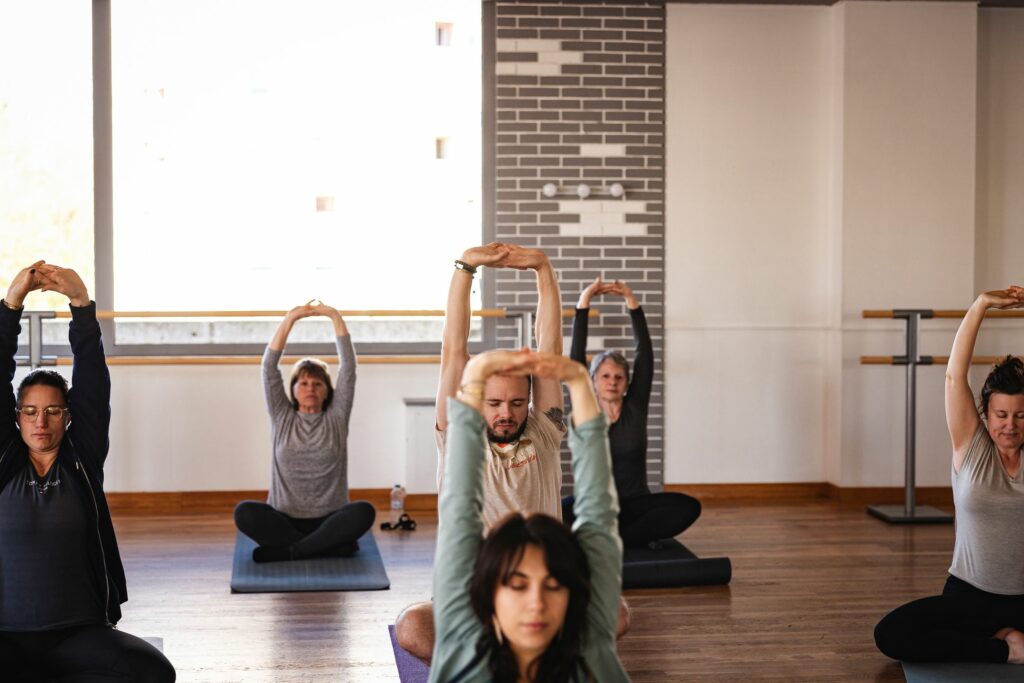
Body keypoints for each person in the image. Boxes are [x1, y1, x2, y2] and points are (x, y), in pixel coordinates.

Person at [396, 242, 574, 660]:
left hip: (537, 595)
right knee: (413, 626)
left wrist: (543, 270)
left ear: (529, 400)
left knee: (615, 616)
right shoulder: (460, 437)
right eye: (493, 405)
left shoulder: (544, 433)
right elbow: (452, 351)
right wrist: (466, 266)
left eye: (516, 403)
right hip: (476, 596)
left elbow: (549, 350)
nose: (505, 414)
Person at [0, 261, 176, 681]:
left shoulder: (83, 458)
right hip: (6, 637)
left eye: (52, 411)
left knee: (154, 673)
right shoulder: (4, 460)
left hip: (77, 635)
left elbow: (94, 381)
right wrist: (11, 305)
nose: (41, 421)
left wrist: (81, 305)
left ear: (68, 416)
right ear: (17, 417)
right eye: (30, 412)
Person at [429, 348, 629, 682]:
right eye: (518, 585)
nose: (537, 603)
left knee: (619, 613)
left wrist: (580, 381)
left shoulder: (590, 653)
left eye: (553, 586)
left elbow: (600, 512)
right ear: (490, 594)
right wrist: (475, 373)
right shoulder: (461, 652)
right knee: (413, 624)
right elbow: (459, 506)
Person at [874, 286, 1024, 665]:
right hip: (970, 596)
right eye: (1001, 415)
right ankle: (1003, 647)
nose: (1010, 425)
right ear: (985, 415)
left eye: (1020, 415)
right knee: (891, 634)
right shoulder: (970, 446)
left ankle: (1005, 633)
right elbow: (955, 377)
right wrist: (981, 305)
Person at [563, 277, 701, 549]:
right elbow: (575, 358)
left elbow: (645, 355)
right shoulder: (586, 408)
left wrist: (632, 302)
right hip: (594, 506)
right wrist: (584, 302)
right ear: (592, 381)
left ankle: (615, 540)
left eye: (618, 377)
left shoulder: (635, 407)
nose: (612, 381)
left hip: (635, 505)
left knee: (687, 507)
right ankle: (621, 538)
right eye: (604, 376)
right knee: (556, 513)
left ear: (627, 383)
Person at [234, 302, 375, 563]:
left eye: (318, 383)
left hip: (329, 519)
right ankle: (326, 548)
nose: (310, 388)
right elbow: (268, 368)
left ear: (327, 390)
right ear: (294, 389)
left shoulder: (337, 417)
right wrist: (290, 319)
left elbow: (348, 369)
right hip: (284, 519)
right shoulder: (281, 416)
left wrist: (335, 316)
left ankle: (292, 551)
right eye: (304, 383)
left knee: (364, 512)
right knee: (245, 513)